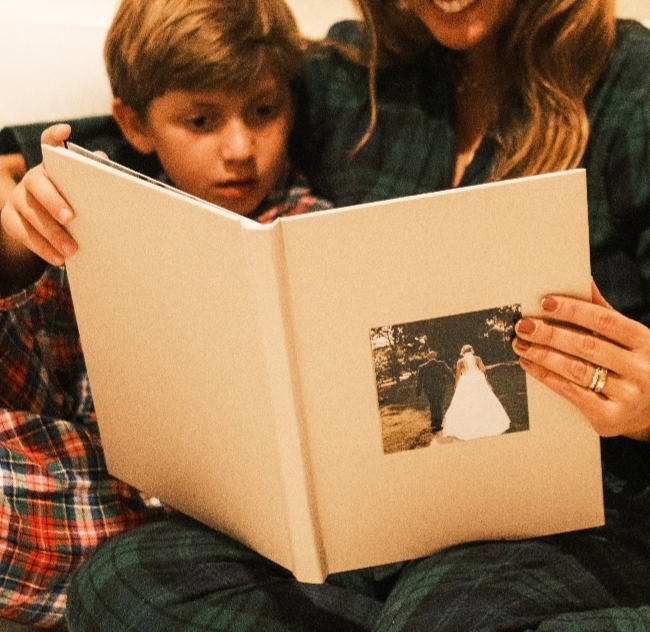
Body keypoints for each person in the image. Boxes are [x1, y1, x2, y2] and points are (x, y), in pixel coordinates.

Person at [2, 0, 650, 630]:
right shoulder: (353, 71)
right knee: (121, 582)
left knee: (450, 611)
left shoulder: (634, 91)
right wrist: (47, 191)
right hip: (366, 515)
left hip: (563, 516)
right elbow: (159, 117)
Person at [0, 0, 329, 627]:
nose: (240, 148)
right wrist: (16, 251)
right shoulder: (105, 212)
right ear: (134, 124)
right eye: (201, 121)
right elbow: (31, 381)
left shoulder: (313, 230)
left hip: (216, 526)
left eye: (265, 112)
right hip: (107, 479)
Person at [441, 344, 511, 440]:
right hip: (477, 379)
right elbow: (483, 369)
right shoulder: (477, 358)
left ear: (463, 352)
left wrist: (456, 384)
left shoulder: (460, 361)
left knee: (466, 401)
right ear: (471, 350)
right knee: (483, 399)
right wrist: (477, 373)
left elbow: (457, 374)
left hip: (466, 381)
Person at [415, 349, 454, 433]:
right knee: (438, 404)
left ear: (427, 358)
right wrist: (454, 382)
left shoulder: (422, 367)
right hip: (440, 388)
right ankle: (437, 423)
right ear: (435, 356)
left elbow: (419, 381)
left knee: (432, 404)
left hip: (429, 390)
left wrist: (418, 392)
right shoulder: (441, 364)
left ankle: (435, 422)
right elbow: (450, 372)